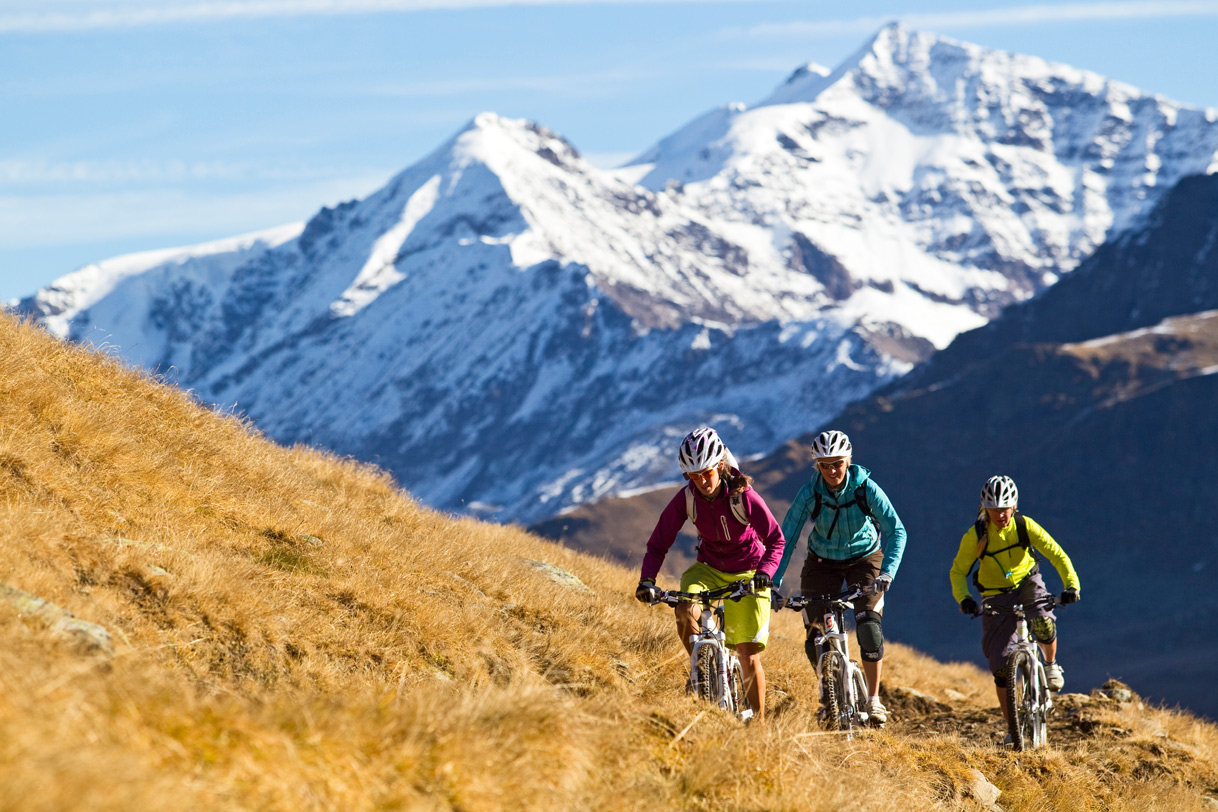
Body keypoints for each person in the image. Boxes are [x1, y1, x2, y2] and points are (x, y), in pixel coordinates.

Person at [635, 426, 786, 722]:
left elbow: (776, 540)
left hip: (748, 572)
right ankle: (702, 672)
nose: (702, 481)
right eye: (694, 475)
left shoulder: (744, 497)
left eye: (706, 472)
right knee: (683, 609)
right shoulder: (687, 498)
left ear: (719, 465)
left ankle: (759, 723)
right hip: (708, 569)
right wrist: (647, 580)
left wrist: (765, 573)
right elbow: (658, 544)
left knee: (747, 654)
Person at [772, 429, 907, 726]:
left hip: (865, 559)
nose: (832, 471)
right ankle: (830, 693)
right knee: (814, 636)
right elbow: (787, 536)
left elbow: (897, 530)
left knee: (869, 628)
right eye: (825, 465)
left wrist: (887, 573)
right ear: (816, 466)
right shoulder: (810, 493)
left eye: (838, 463)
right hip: (822, 563)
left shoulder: (866, 489)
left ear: (848, 461)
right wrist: (774, 580)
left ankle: (873, 700)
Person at [949, 475, 1081, 736]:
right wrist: (964, 599)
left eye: (1005, 508)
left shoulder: (1024, 525)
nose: (1001, 515)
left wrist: (1071, 586)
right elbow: (957, 572)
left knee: (1043, 622)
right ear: (985, 508)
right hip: (994, 593)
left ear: (1014, 506)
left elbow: (1056, 554)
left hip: (1028, 581)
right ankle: (1014, 731)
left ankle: (1051, 664)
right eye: (995, 509)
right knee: (1000, 665)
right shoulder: (975, 535)